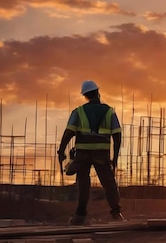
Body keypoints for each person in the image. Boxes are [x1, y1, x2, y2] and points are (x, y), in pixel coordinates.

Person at [57, 80, 124, 225]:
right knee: (109, 183)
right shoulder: (109, 111)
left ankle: (80, 216)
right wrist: (115, 157)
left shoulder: (78, 112)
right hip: (101, 154)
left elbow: (68, 133)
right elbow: (117, 136)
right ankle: (116, 213)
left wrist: (61, 151)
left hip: (83, 155)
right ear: (98, 93)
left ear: (85, 96)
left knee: (83, 184)